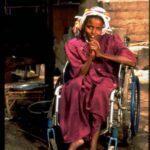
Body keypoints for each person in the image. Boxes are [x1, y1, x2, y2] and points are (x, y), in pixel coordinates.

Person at [58, 6, 137, 150]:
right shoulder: (73, 44)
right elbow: (79, 74)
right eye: (89, 27)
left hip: (105, 79)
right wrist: (90, 57)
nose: (93, 32)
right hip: (84, 76)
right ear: (83, 26)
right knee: (72, 87)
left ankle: (93, 140)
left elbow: (131, 61)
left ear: (103, 29)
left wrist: (101, 54)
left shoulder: (111, 40)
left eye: (98, 28)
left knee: (100, 92)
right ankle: (77, 138)